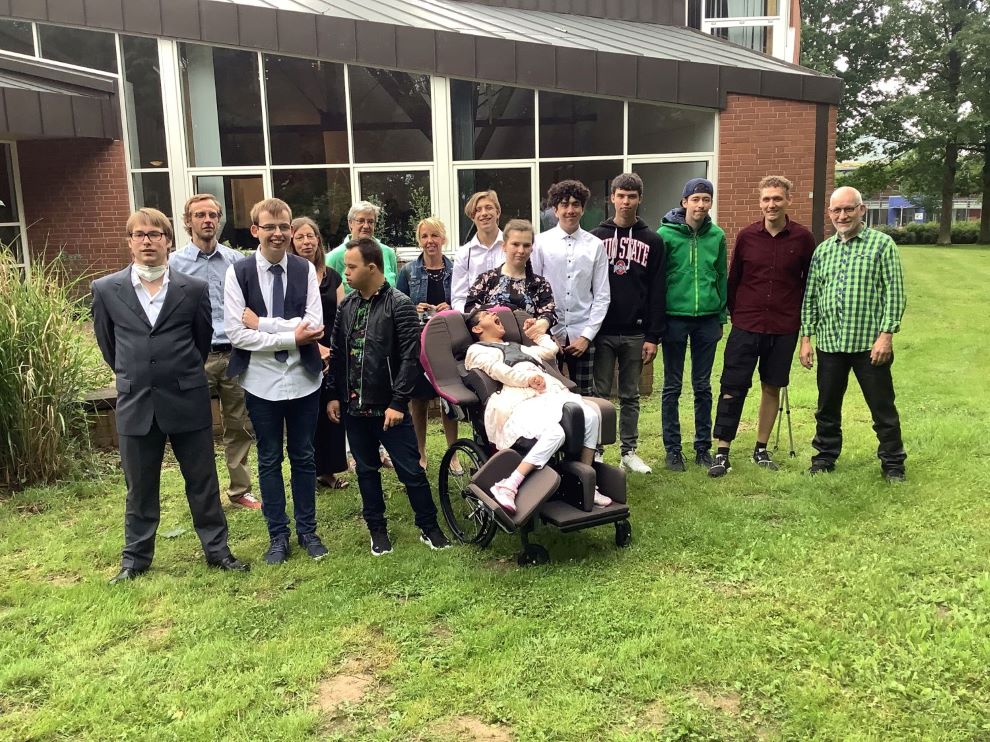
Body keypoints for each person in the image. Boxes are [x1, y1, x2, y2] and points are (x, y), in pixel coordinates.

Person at [91, 208, 249, 583]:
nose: (147, 241)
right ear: (130, 242)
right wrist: (137, 373)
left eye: (155, 234)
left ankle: (217, 550)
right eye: (140, 235)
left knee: (202, 481)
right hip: (137, 402)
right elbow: (109, 345)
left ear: (168, 241)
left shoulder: (191, 289)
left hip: (186, 399)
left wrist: (177, 372)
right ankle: (135, 560)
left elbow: (201, 341)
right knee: (139, 487)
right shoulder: (106, 289)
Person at [327, 237, 452, 556]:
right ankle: (377, 530)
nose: (345, 272)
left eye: (351, 267)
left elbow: (411, 358)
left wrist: (398, 402)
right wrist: (333, 395)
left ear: (372, 268)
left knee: (411, 470)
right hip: (354, 408)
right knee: (366, 470)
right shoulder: (346, 305)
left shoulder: (399, 304)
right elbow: (338, 353)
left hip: (389, 410)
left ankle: (429, 527)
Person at [223, 198, 330, 564]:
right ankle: (277, 536)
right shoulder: (238, 272)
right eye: (270, 227)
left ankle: (308, 531)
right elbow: (237, 334)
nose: (278, 233)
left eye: (284, 226)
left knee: (304, 456)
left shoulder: (304, 269)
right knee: (269, 459)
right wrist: (290, 336)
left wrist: (263, 324)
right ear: (255, 230)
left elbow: (314, 326)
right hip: (260, 381)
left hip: (303, 379)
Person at [709, 176, 817, 477]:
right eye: (767, 199)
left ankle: (761, 448)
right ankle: (722, 451)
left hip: (783, 327)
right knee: (732, 387)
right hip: (747, 325)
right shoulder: (747, 236)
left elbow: (808, 284)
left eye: (777, 199)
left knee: (772, 387)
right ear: (760, 202)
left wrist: (802, 329)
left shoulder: (803, 239)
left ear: (788, 201)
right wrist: (739, 315)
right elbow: (734, 280)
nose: (772, 204)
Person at [799, 186, 907, 482]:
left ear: (862, 210)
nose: (842, 215)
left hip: (869, 344)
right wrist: (806, 339)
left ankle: (893, 463)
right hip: (830, 343)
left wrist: (886, 335)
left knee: (882, 407)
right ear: (830, 213)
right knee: (827, 407)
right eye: (837, 210)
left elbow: (894, 293)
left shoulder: (882, 245)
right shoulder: (823, 251)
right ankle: (824, 457)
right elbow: (811, 297)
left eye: (849, 209)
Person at [464, 309, 612, 514]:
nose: (494, 314)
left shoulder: (518, 347)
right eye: (487, 314)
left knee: (591, 416)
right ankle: (508, 485)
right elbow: (497, 370)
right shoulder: (477, 350)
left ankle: (586, 483)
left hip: (549, 392)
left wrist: (536, 334)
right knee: (555, 433)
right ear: (477, 328)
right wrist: (528, 379)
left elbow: (550, 350)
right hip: (519, 398)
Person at [168, 194, 259, 510]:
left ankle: (240, 490)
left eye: (213, 215)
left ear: (220, 220)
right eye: (200, 215)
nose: (207, 220)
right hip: (196, 356)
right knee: (195, 427)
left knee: (239, 425)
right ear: (187, 221)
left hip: (234, 354)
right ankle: (203, 493)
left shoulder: (236, 261)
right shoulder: (174, 264)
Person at [590, 173, 666, 474]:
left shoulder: (653, 240)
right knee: (599, 395)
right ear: (612, 198)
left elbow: (658, 290)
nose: (626, 202)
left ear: (639, 199)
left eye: (631, 196)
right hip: (602, 330)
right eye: (621, 196)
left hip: (636, 331)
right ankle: (596, 450)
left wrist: (653, 335)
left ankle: (629, 451)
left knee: (631, 395)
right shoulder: (596, 237)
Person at [658, 177, 728, 472]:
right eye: (695, 199)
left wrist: (721, 315)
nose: (701, 204)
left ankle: (703, 447)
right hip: (674, 318)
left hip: (707, 319)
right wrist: (657, 321)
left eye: (706, 199)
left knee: (702, 386)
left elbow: (721, 276)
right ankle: (673, 450)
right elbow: (658, 280)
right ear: (684, 202)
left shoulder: (717, 236)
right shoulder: (665, 235)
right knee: (672, 386)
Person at [531, 180, 611, 396]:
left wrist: (587, 336)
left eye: (576, 204)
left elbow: (602, 295)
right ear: (555, 210)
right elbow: (533, 290)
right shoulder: (540, 243)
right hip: (548, 334)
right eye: (564, 204)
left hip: (582, 333)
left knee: (584, 397)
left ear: (583, 209)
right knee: (547, 395)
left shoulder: (595, 245)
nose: (570, 210)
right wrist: (545, 333)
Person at [289, 216, 349, 490]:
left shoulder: (332, 275)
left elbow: (342, 313)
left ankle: (328, 471)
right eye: (300, 237)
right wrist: (315, 347)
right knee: (306, 414)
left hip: (332, 352)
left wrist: (336, 349)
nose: (306, 242)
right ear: (292, 242)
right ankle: (305, 473)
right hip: (302, 349)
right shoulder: (289, 277)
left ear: (318, 240)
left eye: (310, 236)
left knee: (332, 411)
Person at [395, 216, 460, 470]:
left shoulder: (456, 270)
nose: (430, 241)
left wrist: (450, 307)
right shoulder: (408, 271)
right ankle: (421, 453)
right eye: (424, 236)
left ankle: (453, 454)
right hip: (418, 343)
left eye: (435, 235)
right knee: (419, 400)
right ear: (419, 240)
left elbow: (465, 303)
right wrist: (413, 309)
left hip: (447, 343)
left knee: (449, 398)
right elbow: (397, 306)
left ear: (443, 238)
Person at [464, 218, 557, 335]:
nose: (521, 250)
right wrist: (508, 310)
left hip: (529, 343)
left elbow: (549, 313)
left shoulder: (541, 284)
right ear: (504, 246)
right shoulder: (486, 279)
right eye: (515, 244)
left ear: (532, 248)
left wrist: (544, 322)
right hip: (492, 343)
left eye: (526, 245)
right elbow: (471, 311)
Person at [325, 201, 398, 293]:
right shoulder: (334, 257)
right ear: (350, 223)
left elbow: (396, 291)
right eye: (361, 221)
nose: (366, 226)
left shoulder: (388, 253)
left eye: (370, 221)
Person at [451, 190, 505, 311]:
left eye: (489, 207)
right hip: (476, 318)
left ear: (498, 212)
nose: (484, 213)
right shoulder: (464, 254)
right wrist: (476, 316)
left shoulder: (513, 247)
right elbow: (459, 299)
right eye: (478, 210)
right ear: (473, 217)